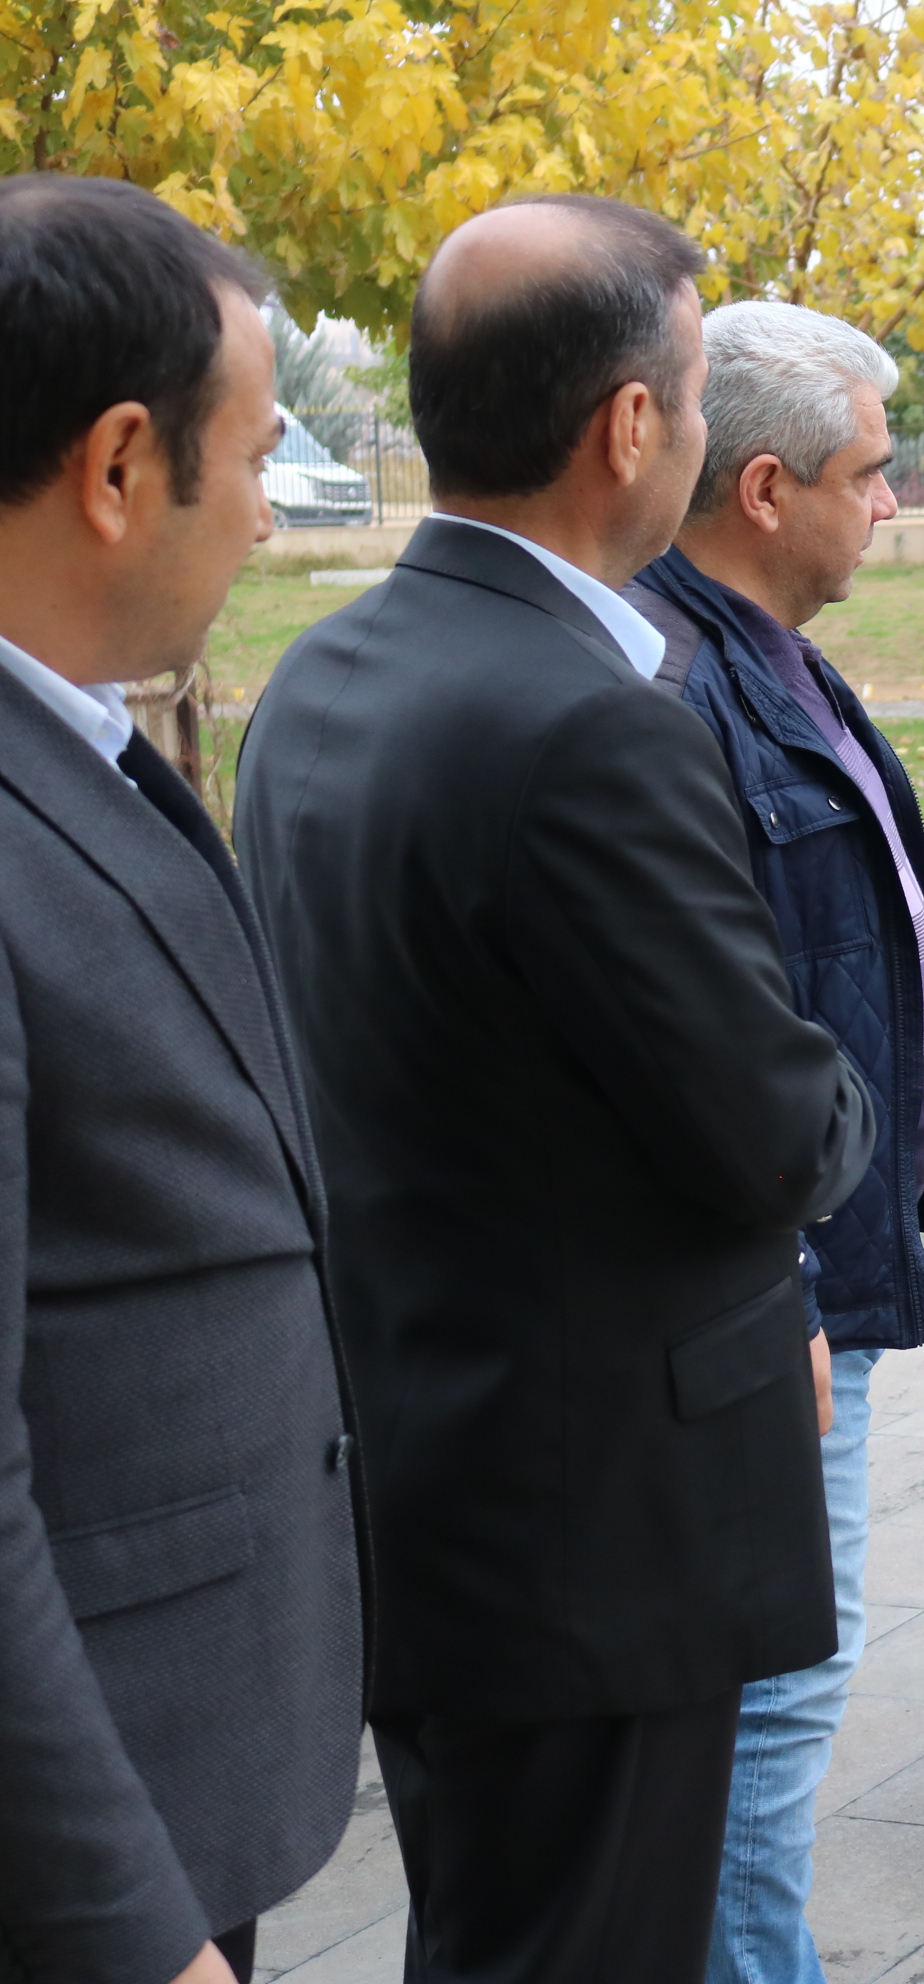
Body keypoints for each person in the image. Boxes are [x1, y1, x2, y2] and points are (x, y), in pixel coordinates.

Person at [235, 196, 880, 1982]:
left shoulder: (325, 676)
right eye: (689, 391)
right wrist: (836, 1077)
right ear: (629, 427)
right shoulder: (585, 725)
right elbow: (771, 1125)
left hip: (432, 1475)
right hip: (594, 1529)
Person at [0, 173, 360, 1984]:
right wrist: (128, 1929)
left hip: (182, 1750)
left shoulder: (74, 742)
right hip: (90, 1856)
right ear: (123, 464)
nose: (271, 510)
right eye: (264, 450)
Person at [619, 301, 924, 1984]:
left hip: (823, 1263)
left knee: (778, 1701)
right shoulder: (677, 683)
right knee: (766, 1714)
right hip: (784, 1294)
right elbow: (699, 1045)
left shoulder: (769, 648)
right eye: (872, 470)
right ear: (765, 487)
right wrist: (786, 1282)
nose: (896, 498)